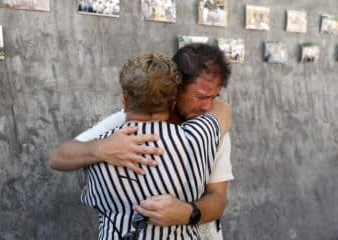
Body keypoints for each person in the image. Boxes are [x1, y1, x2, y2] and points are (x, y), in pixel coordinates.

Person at [50, 43, 233, 239]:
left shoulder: (209, 130)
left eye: (214, 97)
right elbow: (57, 158)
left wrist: (188, 212)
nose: (208, 106)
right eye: (199, 96)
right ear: (176, 89)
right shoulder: (126, 121)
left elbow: (218, 198)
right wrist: (101, 148)